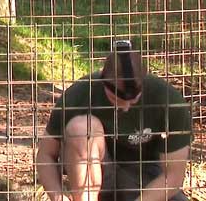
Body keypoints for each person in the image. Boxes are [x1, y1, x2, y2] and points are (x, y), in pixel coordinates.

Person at [36, 40, 192, 201]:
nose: (125, 107)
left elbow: (173, 176)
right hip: (97, 175)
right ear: (104, 82)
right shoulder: (80, 94)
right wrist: (58, 197)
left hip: (144, 178)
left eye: (133, 100)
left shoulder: (167, 99)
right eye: (116, 99)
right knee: (80, 128)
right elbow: (46, 154)